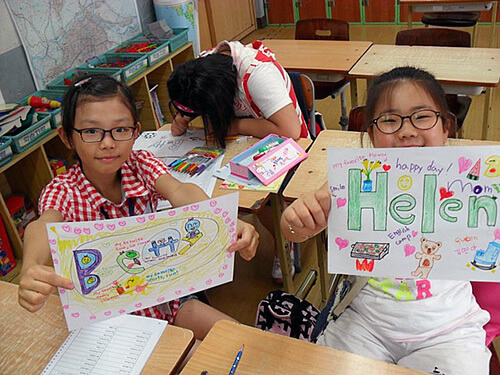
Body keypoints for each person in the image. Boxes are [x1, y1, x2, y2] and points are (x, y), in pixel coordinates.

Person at [280, 67, 491, 374]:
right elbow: (299, 225)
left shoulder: (473, 182)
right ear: (372, 134)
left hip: (450, 330)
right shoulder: (357, 179)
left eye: (422, 116)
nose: (406, 130)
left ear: (446, 127)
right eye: (390, 120)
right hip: (364, 323)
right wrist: (294, 223)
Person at [17, 75, 259, 341]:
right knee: (190, 358)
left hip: (167, 299)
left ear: (135, 132)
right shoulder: (64, 190)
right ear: (67, 138)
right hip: (111, 320)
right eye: (91, 131)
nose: (108, 142)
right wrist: (30, 266)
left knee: (240, 340)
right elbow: (42, 225)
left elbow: (180, 191)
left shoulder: (140, 163)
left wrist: (225, 220)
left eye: (120, 130)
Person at [168, 40, 308, 283]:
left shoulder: (257, 75)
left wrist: (233, 125)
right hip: (237, 142)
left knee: (259, 199)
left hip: (281, 142)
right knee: (206, 190)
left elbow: (290, 130)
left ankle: (282, 240)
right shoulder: (204, 67)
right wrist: (183, 118)